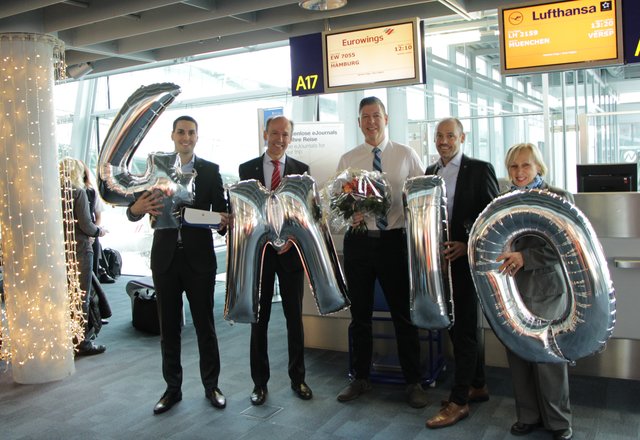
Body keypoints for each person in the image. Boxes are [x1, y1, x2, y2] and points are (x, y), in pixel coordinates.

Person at [127, 115, 229, 415]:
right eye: (181, 132)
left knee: (205, 327)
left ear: (197, 137)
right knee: (168, 328)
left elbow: (221, 216)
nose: (186, 137)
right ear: (172, 135)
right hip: (165, 259)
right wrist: (137, 207)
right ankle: (172, 390)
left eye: (191, 133)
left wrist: (222, 221)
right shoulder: (155, 169)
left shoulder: (210, 171)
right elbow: (133, 212)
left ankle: (212, 386)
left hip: (199, 260)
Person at [335, 96, 428, 409]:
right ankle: (360, 378)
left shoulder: (406, 155)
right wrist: (351, 214)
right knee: (359, 315)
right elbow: (338, 202)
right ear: (359, 122)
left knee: (404, 314)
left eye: (376, 115)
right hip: (359, 241)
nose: (371, 121)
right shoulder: (349, 159)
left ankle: (413, 381)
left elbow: (422, 198)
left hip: (394, 241)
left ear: (386, 119)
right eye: (365, 117)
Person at [496, 143, 573, 440]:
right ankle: (527, 415)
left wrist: (525, 258)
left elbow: (563, 246)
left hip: (546, 290)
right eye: (513, 166)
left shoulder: (558, 198)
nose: (519, 172)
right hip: (512, 291)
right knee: (518, 355)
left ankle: (559, 422)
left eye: (525, 165)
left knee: (548, 357)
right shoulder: (502, 200)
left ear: (539, 167)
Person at [425, 117, 499, 429]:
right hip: (441, 262)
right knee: (455, 327)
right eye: (439, 136)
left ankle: (459, 401)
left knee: (465, 328)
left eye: (450, 136)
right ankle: (477, 384)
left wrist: (466, 244)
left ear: (462, 137)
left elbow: (493, 217)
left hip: (467, 261)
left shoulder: (480, 169)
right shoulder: (430, 172)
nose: (444, 141)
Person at [238, 115, 312, 406]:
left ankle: (299, 378)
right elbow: (246, 212)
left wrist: (290, 240)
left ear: (290, 138)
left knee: (295, 319)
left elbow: (305, 214)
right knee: (260, 320)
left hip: (291, 255)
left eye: (285, 134)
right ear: (264, 133)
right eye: (275, 133)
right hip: (261, 255)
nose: (279, 139)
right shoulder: (247, 169)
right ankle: (259, 384)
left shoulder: (301, 170)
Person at [60, 157, 107, 356]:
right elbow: (86, 225)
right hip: (79, 249)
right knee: (81, 297)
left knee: (65, 295)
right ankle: (82, 342)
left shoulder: (52, 193)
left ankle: (66, 338)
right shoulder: (77, 192)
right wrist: (100, 232)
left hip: (60, 251)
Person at [80, 161, 115, 284]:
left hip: (90, 232)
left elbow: (97, 215)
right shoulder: (77, 192)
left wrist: (94, 232)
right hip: (86, 233)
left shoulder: (91, 192)